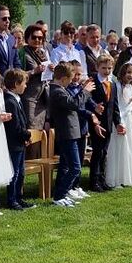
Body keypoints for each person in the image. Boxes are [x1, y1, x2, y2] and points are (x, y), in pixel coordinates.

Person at [48, 62, 85, 207]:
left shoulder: (61, 90)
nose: (71, 82)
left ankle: (61, 195)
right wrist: (86, 91)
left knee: (71, 167)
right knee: (75, 167)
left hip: (70, 133)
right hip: (67, 134)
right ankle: (59, 195)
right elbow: (74, 104)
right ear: (63, 79)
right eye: (70, 79)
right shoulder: (57, 91)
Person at [89, 53, 123, 191]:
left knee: (104, 152)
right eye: (103, 68)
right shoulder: (92, 82)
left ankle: (102, 179)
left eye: (109, 68)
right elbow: (87, 100)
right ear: (97, 67)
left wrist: (118, 122)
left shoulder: (112, 84)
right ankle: (94, 180)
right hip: (96, 123)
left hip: (108, 123)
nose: (107, 71)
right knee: (97, 151)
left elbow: (114, 105)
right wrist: (94, 108)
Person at [105, 62, 132, 188]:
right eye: (128, 72)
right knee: (120, 149)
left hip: (131, 121)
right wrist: (119, 122)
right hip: (121, 121)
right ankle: (117, 178)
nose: (131, 75)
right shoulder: (117, 86)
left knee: (130, 148)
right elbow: (117, 106)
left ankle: (129, 177)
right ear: (122, 73)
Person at [2, 68, 34, 211]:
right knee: (14, 172)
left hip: (20, 142)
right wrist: (26, 135)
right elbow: (15, 126)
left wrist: (25, 137)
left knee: (21, 172)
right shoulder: (10, 101)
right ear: (16, 84)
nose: (25, 86)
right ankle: (12, 199)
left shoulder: (16, 99)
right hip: (14, 142)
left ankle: (19, 197)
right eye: (24, 83)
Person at [20, 23, 50, 128]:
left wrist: (51, 69)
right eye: (34, 37)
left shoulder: (43, 53)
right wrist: (34, 71)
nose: (37, 40)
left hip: (43, 97)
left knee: (41, 130)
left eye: (40, 38)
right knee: (31, 128)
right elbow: (18, 75)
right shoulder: (22, 53)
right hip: (29, 97)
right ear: (27, 38)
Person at [0, 5, 19, 74]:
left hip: (12, 79)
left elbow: (16, 62)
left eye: (8, 18)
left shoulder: (12, 39)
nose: (8, 21)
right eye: (4, 18)